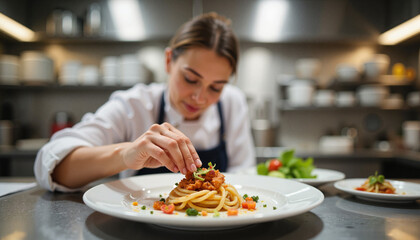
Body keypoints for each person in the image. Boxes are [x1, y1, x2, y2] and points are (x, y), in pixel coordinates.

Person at [34, 12, 255, 192]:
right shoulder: (134, 104)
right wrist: (126, 154)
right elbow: (50, 163)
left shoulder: (231, 103)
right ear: (169, 61)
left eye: (216, 87)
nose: (200, 97)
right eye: (190, 79)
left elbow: (244, 176)